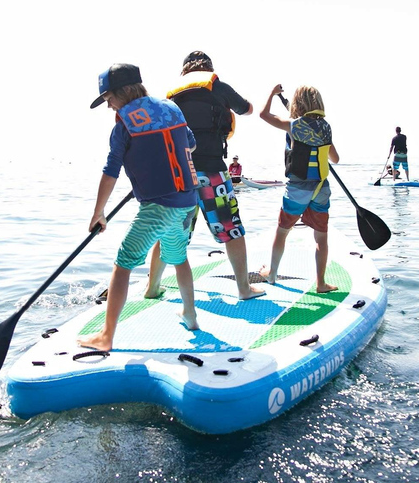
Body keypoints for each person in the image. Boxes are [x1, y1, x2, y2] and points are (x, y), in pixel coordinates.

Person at [77, 63, 201, 351]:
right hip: (186, 202)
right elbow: (190, 145)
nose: (109, 107)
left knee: (123, 264)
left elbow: (111, 171)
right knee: (178, 257)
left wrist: (99, 212)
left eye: (109, 99)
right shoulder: (172, 108)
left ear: (124, 91)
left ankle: (106, 336)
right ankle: (191, 315)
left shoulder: (123, 125)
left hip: (158, 206)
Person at [145, 51, 265, 300]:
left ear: (185, 71)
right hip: (212, 172)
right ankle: (243, 289)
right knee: (231, 229)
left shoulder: (172, 95)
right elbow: (247, 110)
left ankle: (152, 288)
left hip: (179, 175)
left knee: (170, 231)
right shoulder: (217, 87)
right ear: (208, 69)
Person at [258, 84, 340, 293]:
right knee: (321, 237)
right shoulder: (326, 128)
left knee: (282, 231)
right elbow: (335, 159)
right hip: (321, 188)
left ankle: (272, 274)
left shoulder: (293, 125)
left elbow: (263, 115)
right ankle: (321, 283)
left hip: (297, 189)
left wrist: (272, 93)